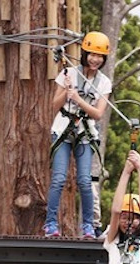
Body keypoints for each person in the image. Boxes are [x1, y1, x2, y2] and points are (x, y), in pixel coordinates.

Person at [44, 31, 112, 238]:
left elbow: (98, 113)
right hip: (63, 128)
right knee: (58, 179)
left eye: (100, 56)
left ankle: (88, 226)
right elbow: (53, 106)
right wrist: (67, 91)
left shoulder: (104, 83)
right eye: (92, 54)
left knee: (84, 180)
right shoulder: (69, 74)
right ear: (84, 53)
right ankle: (51, 224)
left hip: (85, 132)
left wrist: (79, 99)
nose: (95, 59)